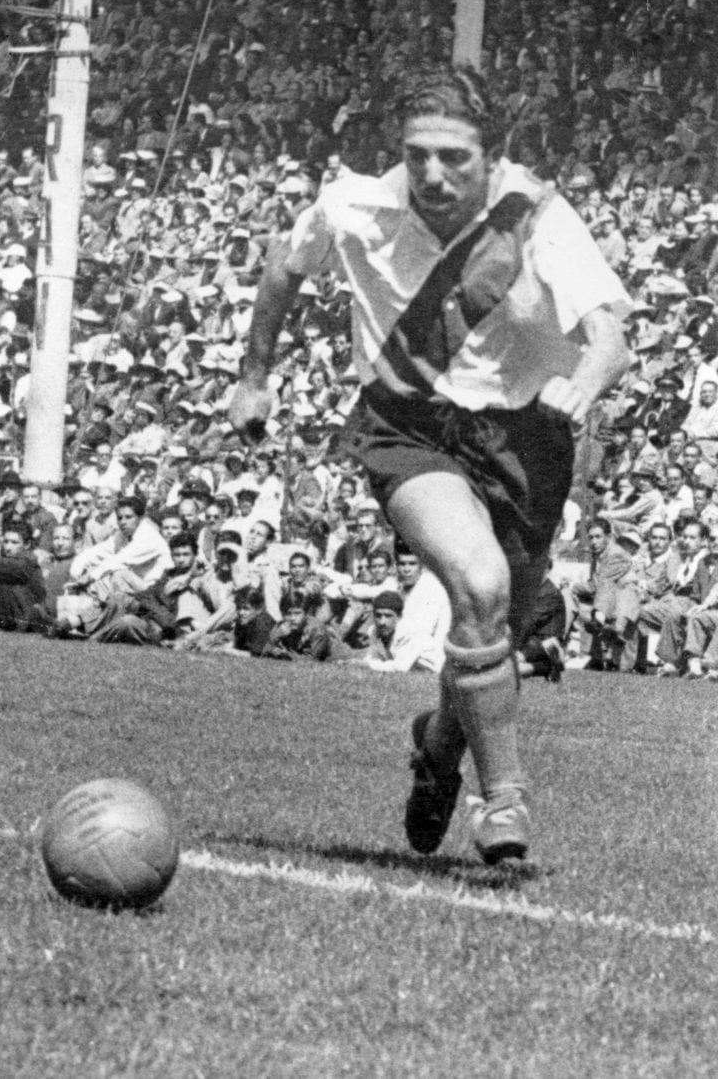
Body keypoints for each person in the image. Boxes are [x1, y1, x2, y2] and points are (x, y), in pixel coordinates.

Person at [230, 68, 630, 865]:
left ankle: (438, 747)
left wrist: (582, 384)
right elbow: (283, 269)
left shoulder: (537, 219)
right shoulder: (355, 206)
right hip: (409, 425)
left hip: (526, 436)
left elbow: (610, 331)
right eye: (419, 156)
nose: (436, 176)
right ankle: (503, 799)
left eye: (456, 157)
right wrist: (253, 374)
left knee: (498, 632)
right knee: (476, 586)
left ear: (493, 156)